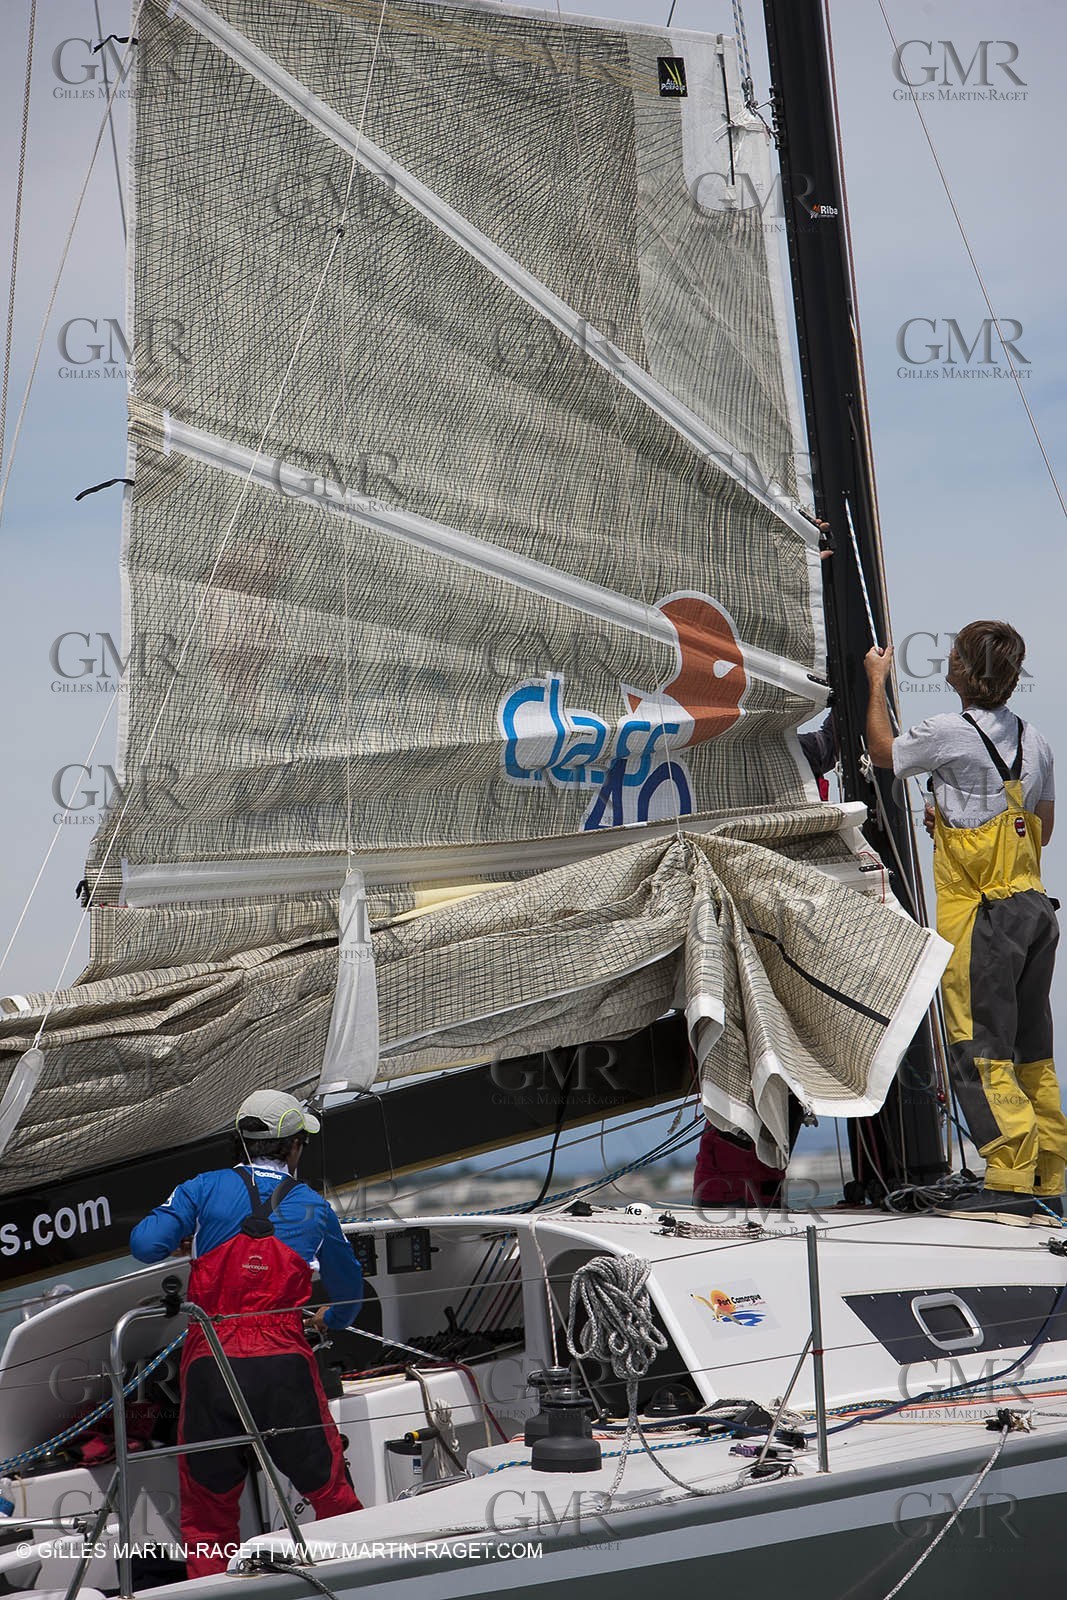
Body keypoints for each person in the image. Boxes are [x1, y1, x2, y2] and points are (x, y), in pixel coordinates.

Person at [865, 621, 1067, 1221]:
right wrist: (957, 823)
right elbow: (1040, 832)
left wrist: (875, 683)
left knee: (979, 1049)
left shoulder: (949, 732)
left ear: (964, 671)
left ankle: (1010, 1179)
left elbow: (883, 753)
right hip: (1034, 912)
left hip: (983, 918)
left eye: (953, 653)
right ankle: (1049, 1175)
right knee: (1031, 1052)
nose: (945, 658)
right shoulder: (1036, 740)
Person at [130, 1090, 365, 1577]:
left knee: (207, 1513)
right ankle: (359, 1581)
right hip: (284, 1364)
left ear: (240, 1141)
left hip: (211, 1362)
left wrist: (189, 1236)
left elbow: (145, 1245)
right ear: (294, 1146)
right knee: (331, 1495)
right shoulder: (314, 1207)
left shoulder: (202, 1188)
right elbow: (350, 1295)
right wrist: (331, 1320)